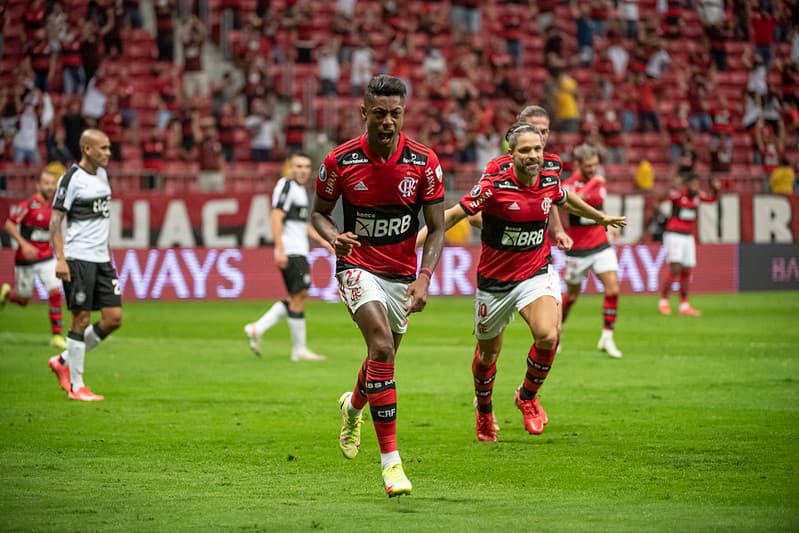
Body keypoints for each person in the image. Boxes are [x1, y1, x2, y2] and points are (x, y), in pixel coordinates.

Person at [438, 123, 625, 443]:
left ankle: (526, 396)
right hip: (494, 282)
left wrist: (599, 218)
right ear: (511, 153)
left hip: (534, 272)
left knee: (548, 334)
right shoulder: (494, 182)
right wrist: (411, 242)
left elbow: (565, 198)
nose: (534, 155)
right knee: (486, 356)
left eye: (537, 148)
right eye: (525, 150)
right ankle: (484, 412)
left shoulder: (551, 174)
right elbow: (456, 215)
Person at [311, 75, 445, 497]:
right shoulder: (340, 161)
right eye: (380, 113)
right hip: (357, 266)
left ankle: (352, 407)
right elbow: (319, 213)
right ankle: (392, 464)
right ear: (364, 113)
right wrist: (334, 237)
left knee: (379, 358)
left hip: (402, 276)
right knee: (383, 348)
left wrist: (424, 278)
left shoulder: (424, 161)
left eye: (396, 113)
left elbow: (437, 228)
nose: (388, 121)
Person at [47, 129, 122, 401]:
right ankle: (77, 387)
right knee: (81, 318)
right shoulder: (71, 179)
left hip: (102, 259)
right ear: (87, 149)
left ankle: (63, 360)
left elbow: (103, 221)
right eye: (103, 148)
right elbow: (55, 221)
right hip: (79, 258)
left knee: (114, 318)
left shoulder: (102, 175)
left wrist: (108, 253)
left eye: (109, 148)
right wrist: (60, 257)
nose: (108, 153)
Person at [244, 153, 333, 361]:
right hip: (291, 250)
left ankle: (258, 328)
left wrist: (322, 240)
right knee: (300, 295)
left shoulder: (299, 190)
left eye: (306, 166)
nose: (302, 170)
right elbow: (276, 216)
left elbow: (302, 224)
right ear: (290, 168)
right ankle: (299, 350)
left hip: (298, 249)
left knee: (297, 296)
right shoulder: (285, 186)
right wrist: (280, 249)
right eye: (298, 166)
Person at [560, 144, 623, 359]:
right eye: (588, 166)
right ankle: (556, 332)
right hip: (577, 249)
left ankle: (607, 336)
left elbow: (597, 208)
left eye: (595, 165)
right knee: (572, 297)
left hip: (600, 244)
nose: (593, 170)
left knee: (613, 289)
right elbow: (572, 202)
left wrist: (608, 220)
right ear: (577, 165)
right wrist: (594, 183)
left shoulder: (598, 182)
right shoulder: (568, 185)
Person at [1, 162, 67, 350]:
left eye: (52, 183)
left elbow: (55, 233)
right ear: (38, 186)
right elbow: (9, 225)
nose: (49, 187)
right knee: (23, 300)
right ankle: (8, 294)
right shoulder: (28, 205)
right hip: (26, 260)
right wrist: (24, 244)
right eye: (45, 183)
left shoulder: (56, 208)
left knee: (55, 291)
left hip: (46, 258)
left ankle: (56, 336)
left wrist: (61, 256)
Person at [658, 173, 720, 316]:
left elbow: (712, 199)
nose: (696, 187)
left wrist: (716, 189)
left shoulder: (697, 196)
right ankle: (663, 301)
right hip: (674, 235)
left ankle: (684, 305)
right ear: (687, 185)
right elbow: (661, 198)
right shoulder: (679, 194)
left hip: (688, 236)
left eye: (698, 184)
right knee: (675, 269)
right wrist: (672, 186)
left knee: (687, 270)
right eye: (693, 184)